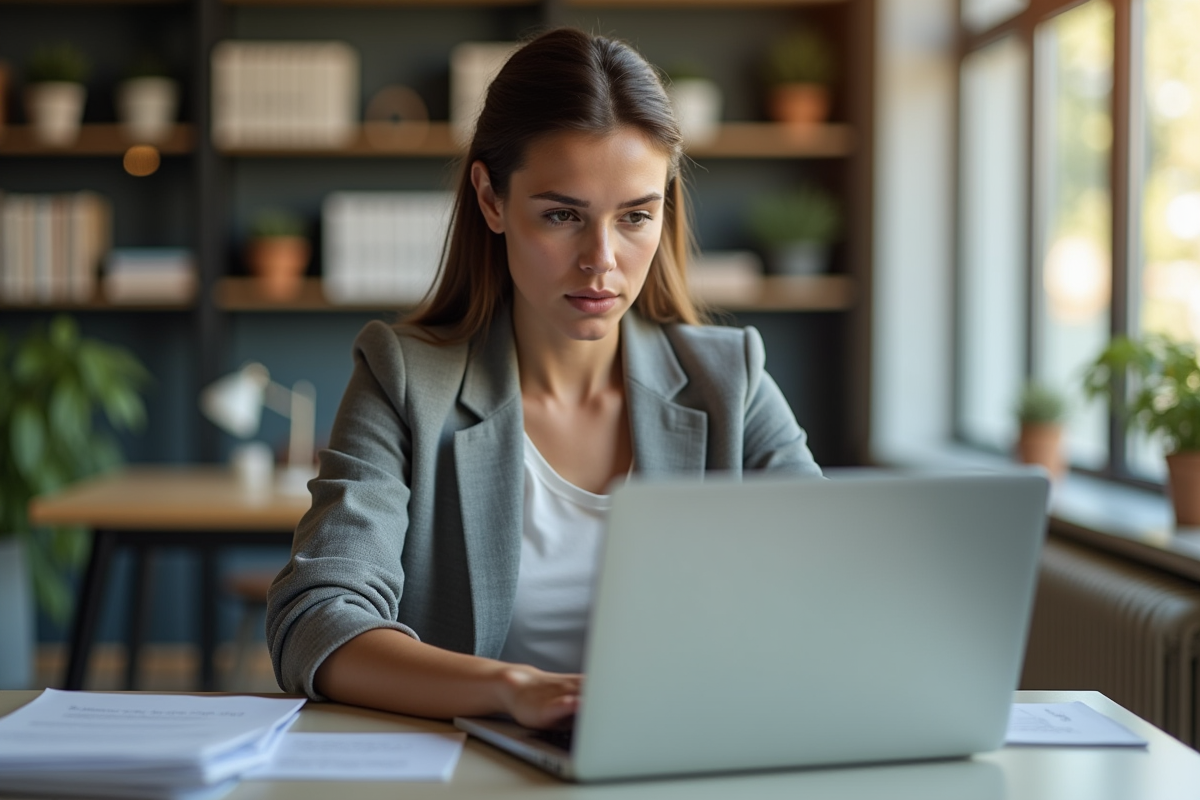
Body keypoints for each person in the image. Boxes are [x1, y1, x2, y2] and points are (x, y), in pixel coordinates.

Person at [265, 26, 822, 732]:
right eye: (562, 215)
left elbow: (826, 590)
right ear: (491, 200)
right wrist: (514, 690)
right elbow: (315, 620)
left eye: (635, 217)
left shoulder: (729, 378)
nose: (601, 261)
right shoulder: (406, 380)